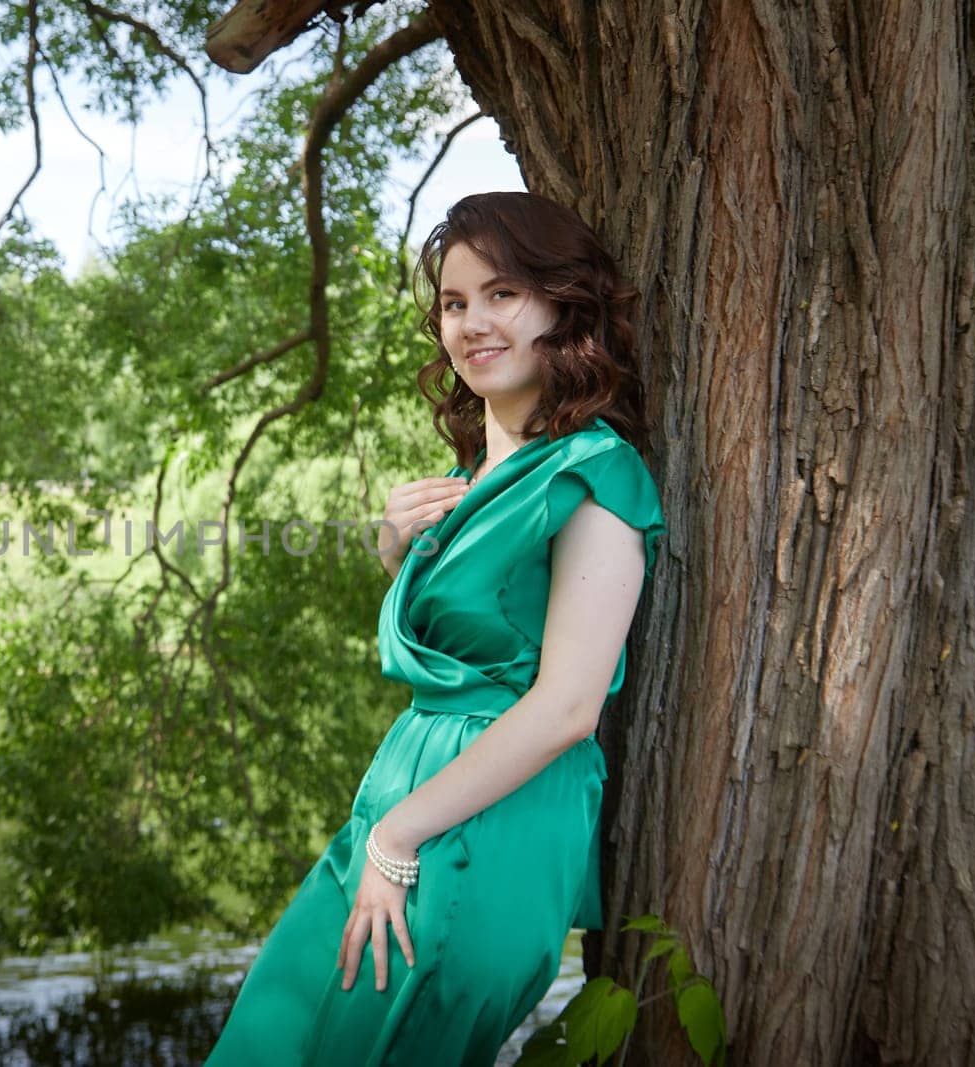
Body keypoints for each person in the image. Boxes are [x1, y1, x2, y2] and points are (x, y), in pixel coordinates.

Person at [202, 190, 667, 1066]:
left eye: (502, 294)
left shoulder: (597, 472)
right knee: (265, 1042)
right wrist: (395, 550)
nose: (471, 323)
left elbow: (568, 703)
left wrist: (401, 835)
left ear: (561, 305)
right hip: (398, 810)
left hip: (477, 825)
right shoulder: (468, 478)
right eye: (455, 303)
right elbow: (463, 640)